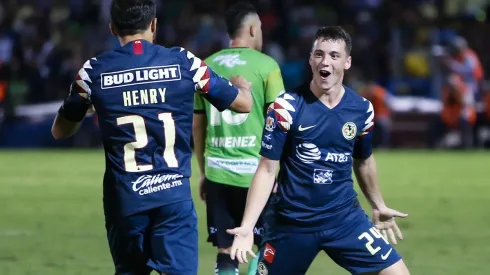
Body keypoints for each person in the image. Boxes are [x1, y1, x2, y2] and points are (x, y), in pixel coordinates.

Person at [51, 0, 252, 274]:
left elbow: (60, 131)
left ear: (112, 28)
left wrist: (87, 106)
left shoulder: (93, 72)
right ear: (154, 25)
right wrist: (242, 86)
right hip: (173, 199)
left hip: (125, 202)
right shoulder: (184, 62)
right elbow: (243, 104)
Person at [227, 26, 411, 275]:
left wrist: (377, 204)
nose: (326, 62)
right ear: (311, 60)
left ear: (347, 62)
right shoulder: (286, 107)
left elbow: (364, 161)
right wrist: (248, 226)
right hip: (292, 223)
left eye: (334, 56)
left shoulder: (362, 110)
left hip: (344, 219)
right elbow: (267, 169)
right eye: (319, 55)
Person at [193, 2, 285, 275]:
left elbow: (198, 126)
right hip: (256, 174)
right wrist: (280, 172)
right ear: (254, 28)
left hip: (218, 173)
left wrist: (203, 173)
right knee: (265, 243)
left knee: (226, 248)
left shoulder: (206, 66)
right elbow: (281, 122)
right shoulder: (267, 66)